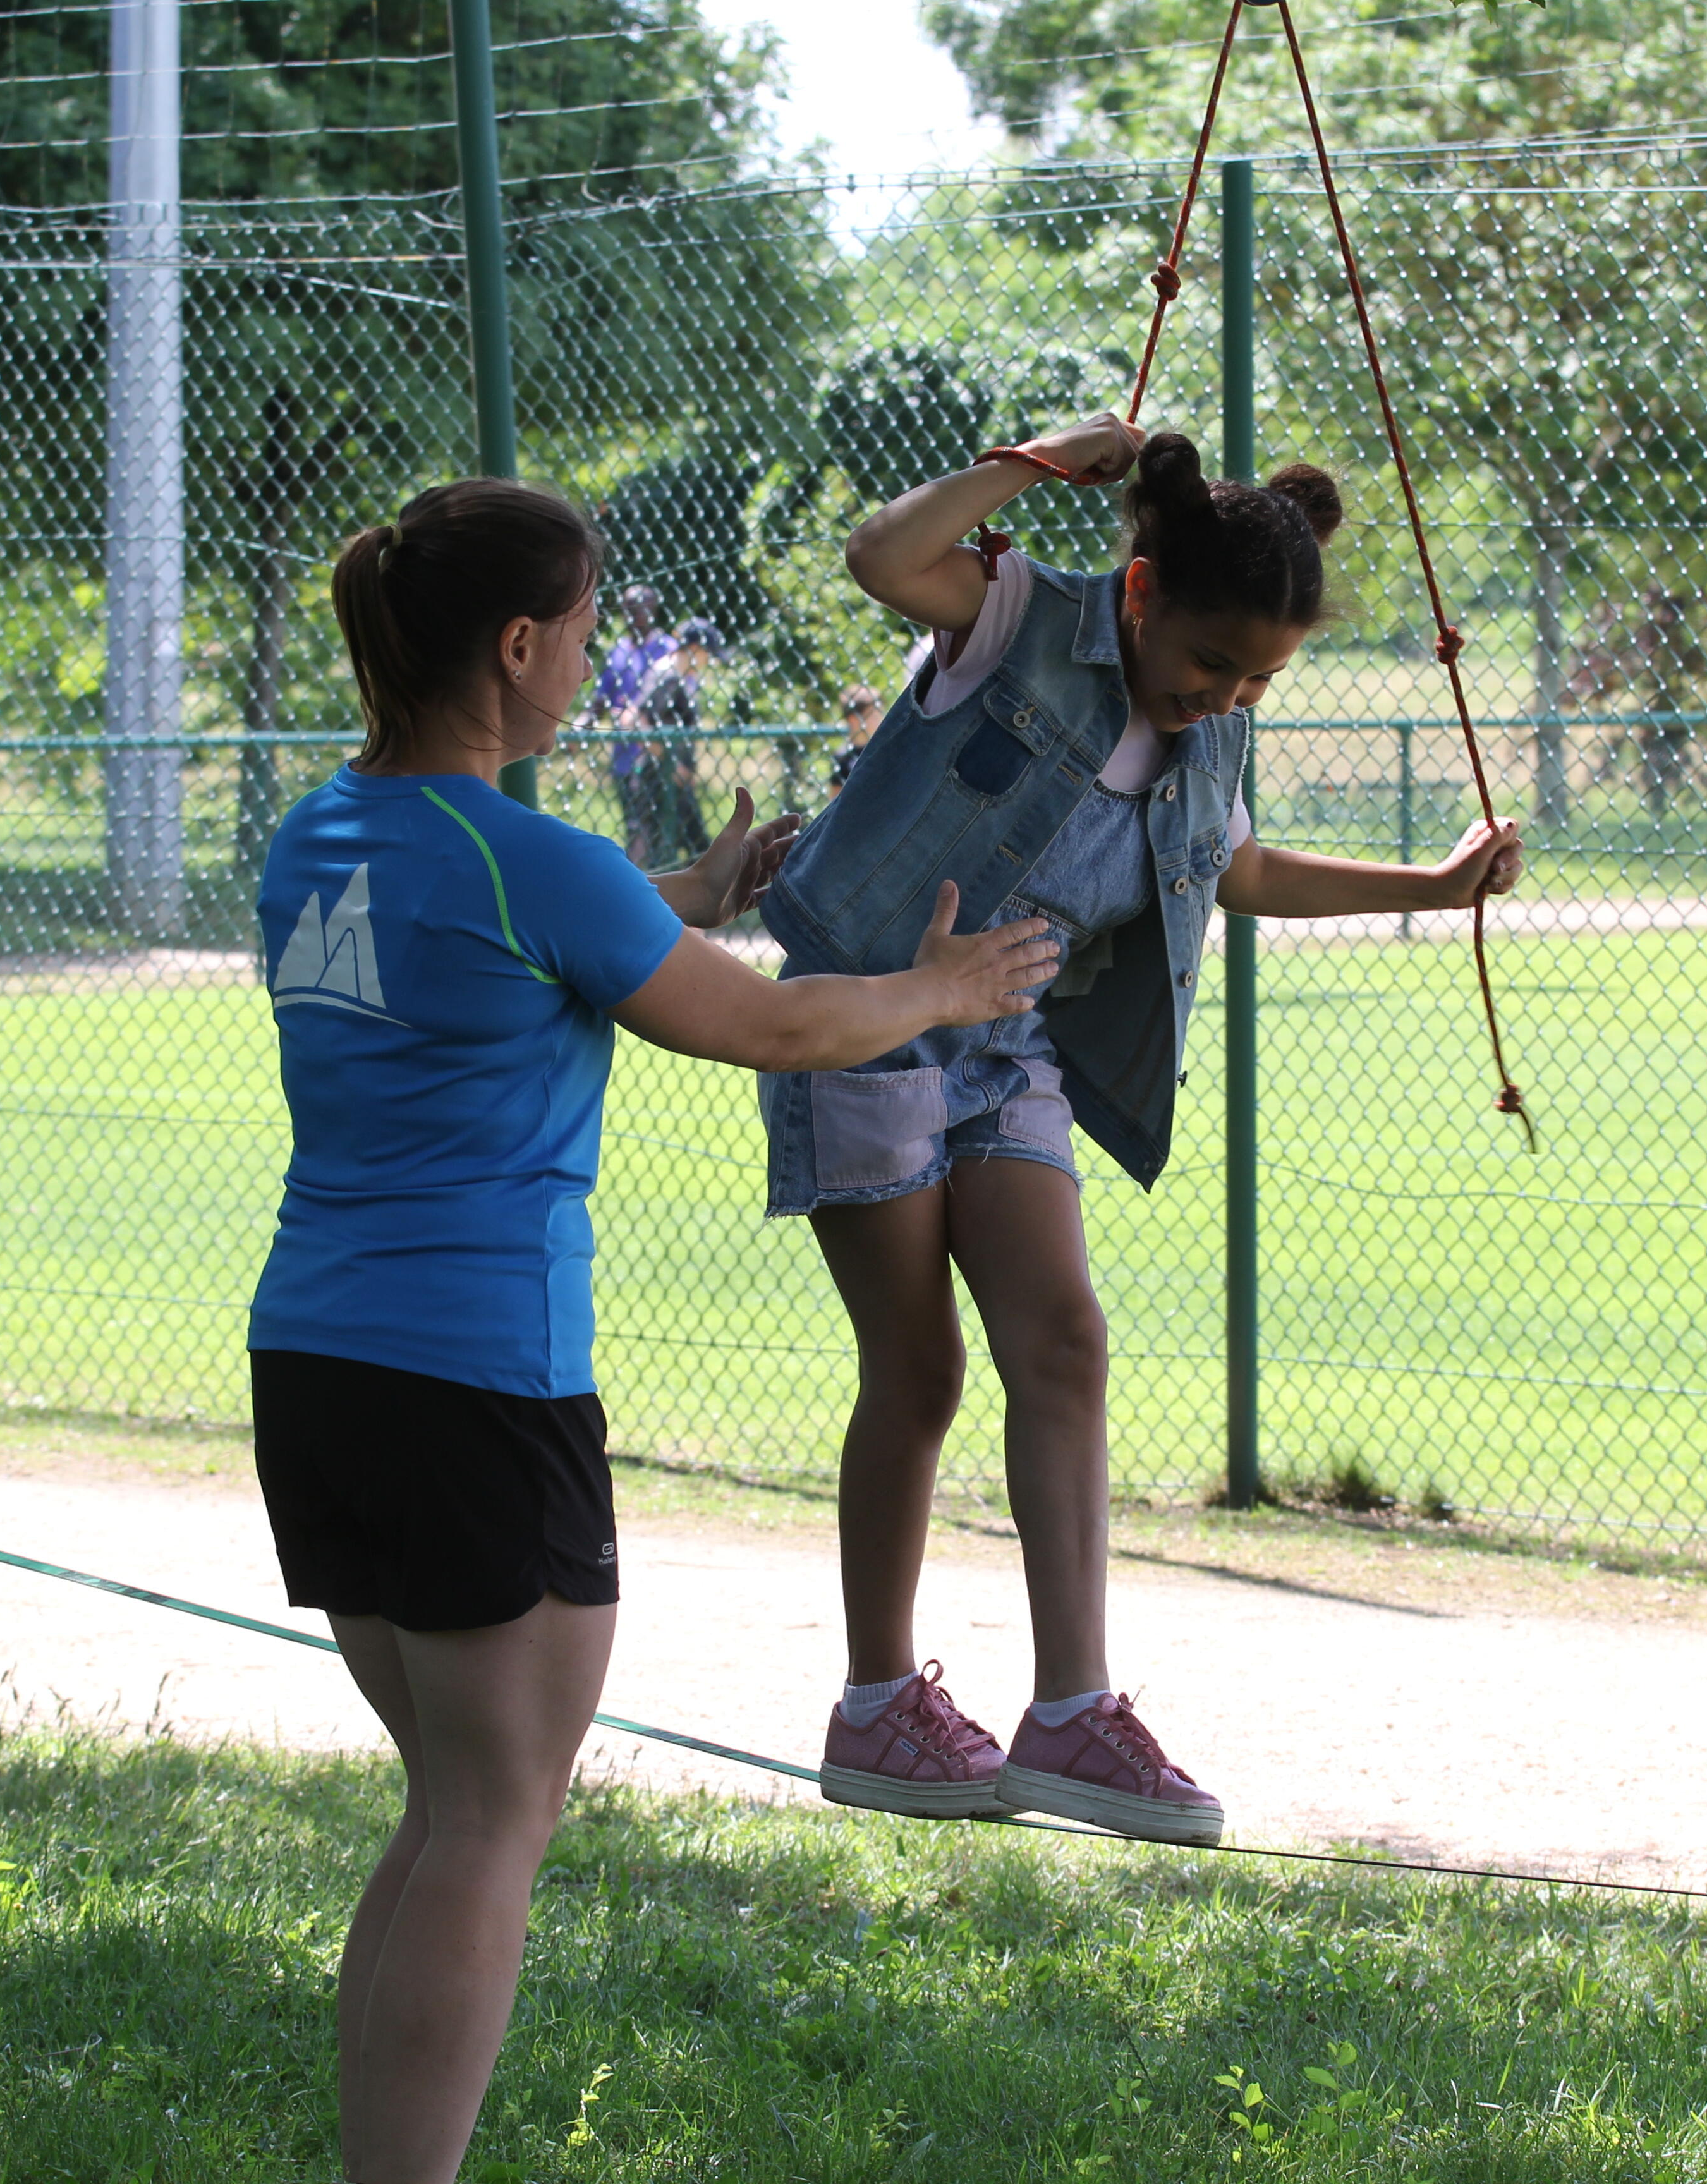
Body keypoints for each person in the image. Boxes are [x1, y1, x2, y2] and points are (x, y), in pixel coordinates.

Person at [253, 478, 1057, 2184]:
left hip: (316, 1367)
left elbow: (494, 939)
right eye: (582, 626)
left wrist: (682, 887)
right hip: (474, 1380)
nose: (595, 658)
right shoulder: (534, 861)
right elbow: (774, 1028)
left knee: (450, 1810)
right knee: (494, 1821)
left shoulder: (317, 833)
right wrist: (946, 989)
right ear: (518, 646)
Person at [758, 415, 1525, 1846]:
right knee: (917, 1368)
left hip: (1006, 1041)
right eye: (1207, 661)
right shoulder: (1014, 619)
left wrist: (1431, 886)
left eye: (1256, 679)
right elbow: (878, 555)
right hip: (865, 1015)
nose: (1222, 695)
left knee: (1064, 1339)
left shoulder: (1210, 722)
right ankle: (874, 1702)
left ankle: (1070, 1711)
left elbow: (1239, 869)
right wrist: (1036, 461)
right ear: (1138, 591)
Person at [589, 582, 676, 863]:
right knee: (634, 825)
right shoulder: (618, 652)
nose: (635, 615)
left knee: (665, 827)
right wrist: (581, 725)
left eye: (642, 608)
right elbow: (600, 700)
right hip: (625, 755)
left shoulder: (669, 650)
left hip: (660, 754)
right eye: (629, 608)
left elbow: (680, 702)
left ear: (654, 610)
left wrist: (639, 715)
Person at [624, 615, 720, 868]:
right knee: (673, 850)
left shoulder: (679, 676)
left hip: (671, 779)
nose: (708, 661)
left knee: (689, 849)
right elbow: (637, 720)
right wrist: (673, 765)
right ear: (695, 649)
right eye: (708, 654)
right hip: (659, 777)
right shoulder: (668, 677)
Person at [827, 683, 884, 798]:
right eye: (874, 716)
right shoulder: (843, 758)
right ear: (854, 719)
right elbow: (835, 799)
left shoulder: (885, 750)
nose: (881, 720)